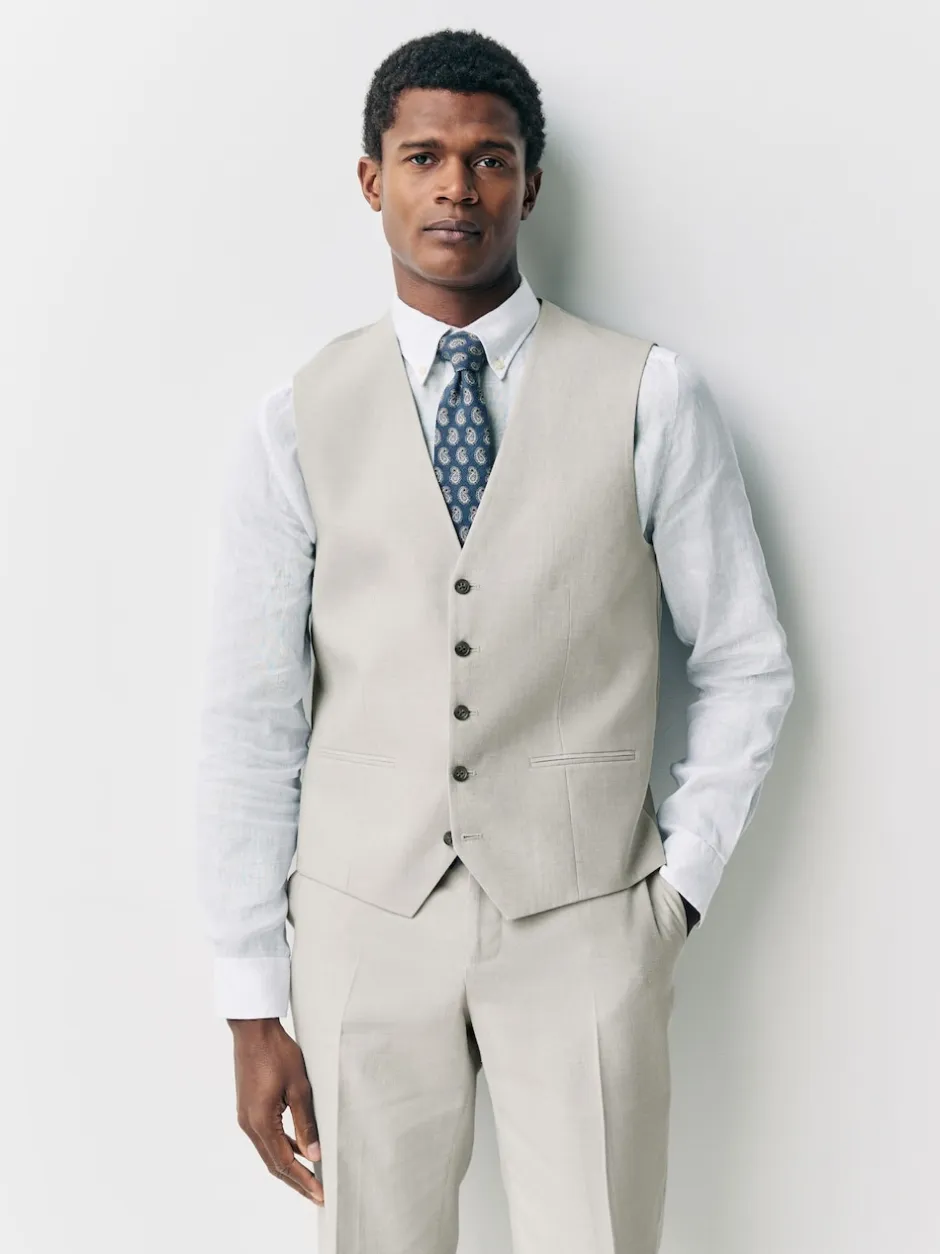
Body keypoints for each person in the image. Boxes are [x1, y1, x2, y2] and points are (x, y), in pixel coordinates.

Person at [195, 26, 795, 1254]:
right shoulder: (295, 420)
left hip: (585, 919)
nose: (457, 188)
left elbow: (745, 663)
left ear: (531, 182)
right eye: (424, 157)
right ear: (372, 180)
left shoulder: (651, 395)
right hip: (363, 920)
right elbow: (251, 714)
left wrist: (671, 897)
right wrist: (250, 999)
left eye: (490, 158)